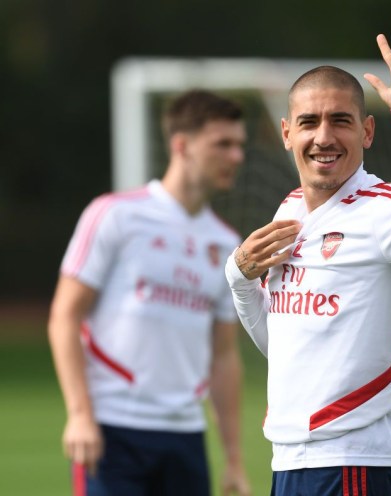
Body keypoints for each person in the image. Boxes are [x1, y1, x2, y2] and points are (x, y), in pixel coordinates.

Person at [224, 26, 391, 496]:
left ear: (367, 131)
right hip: (288, 459)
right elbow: (282, 347)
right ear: (287, 133)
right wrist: (239, 279)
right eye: (309, 122)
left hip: (353, 464)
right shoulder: (289, 209)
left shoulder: (385, 211)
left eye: (340, 121)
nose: (323, 137)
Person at [48, 89, 252, 496]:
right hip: (112, 429)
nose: (237, 156)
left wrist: (233, 457)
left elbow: (224, 355)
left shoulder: (227, 243)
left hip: (185, 435)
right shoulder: (115, 214)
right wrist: (80, 414)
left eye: (239, 145)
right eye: (223, 144)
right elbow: (64, 316)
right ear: (181, 145)